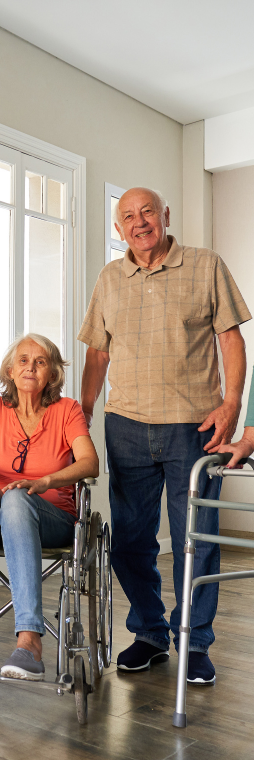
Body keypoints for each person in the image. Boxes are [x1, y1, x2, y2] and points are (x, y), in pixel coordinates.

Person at [79, 187, 250, 685]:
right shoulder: (111, 277)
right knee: (130, 541)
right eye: (128, 216)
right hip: (125, 427)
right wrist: (83, 416)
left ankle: (195, 642)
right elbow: (96, 355)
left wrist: (232, 403)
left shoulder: (204, 264)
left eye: (147, 212)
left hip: (193, 428)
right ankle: (151, 632)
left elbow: (231, 339)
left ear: (165, 216)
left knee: (196, 539)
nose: (139, 222)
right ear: (119, 229)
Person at [0, 335, 99, 680]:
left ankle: (29, 640)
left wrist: (44, 482)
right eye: (23, 360)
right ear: (10, 370)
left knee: (15, 498)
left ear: (52, 373)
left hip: (52, 518)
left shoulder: (67, 410)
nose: (30, 367)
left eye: (40, 362)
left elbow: (90, 463)